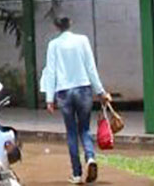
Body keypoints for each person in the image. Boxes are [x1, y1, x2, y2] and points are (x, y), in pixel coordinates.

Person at [43, 17, 110, 185]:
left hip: (64, 92)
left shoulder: (53, 45)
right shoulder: (82, 40)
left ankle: (77, 174)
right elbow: (91, 67)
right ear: (70, 23)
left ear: (56, 26)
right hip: (83, 89)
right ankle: (90, 157)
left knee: (71, 132)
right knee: (85, 129)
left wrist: (49, 98)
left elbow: (51, 72)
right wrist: (100, 91)